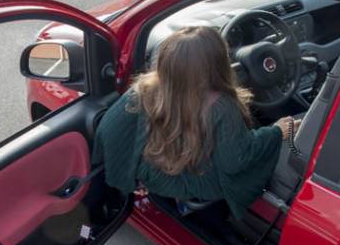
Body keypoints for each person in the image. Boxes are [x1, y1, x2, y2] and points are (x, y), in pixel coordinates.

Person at [93, 26, 300, 219]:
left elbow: (108, 130)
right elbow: (235, 161)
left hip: (157, 173)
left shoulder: (144, 88)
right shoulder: (222, 106)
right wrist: (275, 132)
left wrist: (131, 177)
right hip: (197, 180)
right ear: (218, 63)